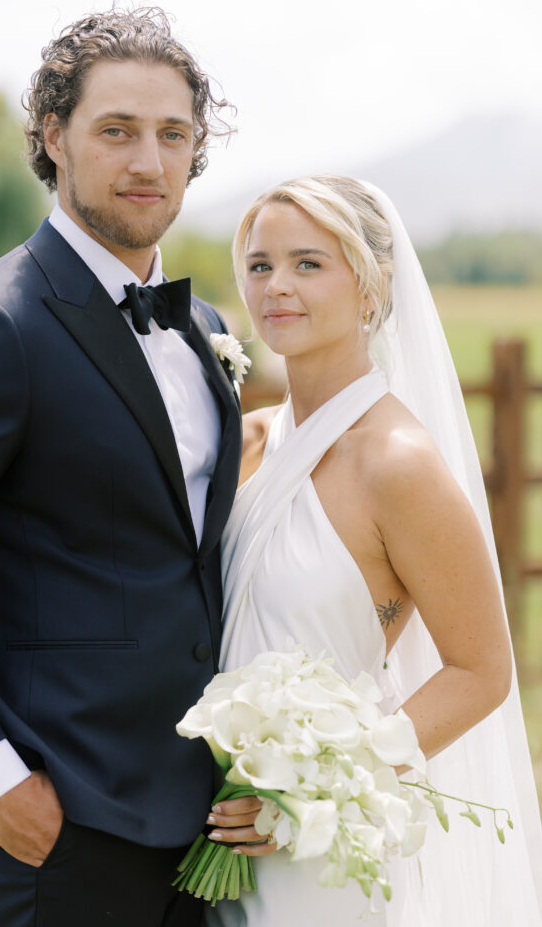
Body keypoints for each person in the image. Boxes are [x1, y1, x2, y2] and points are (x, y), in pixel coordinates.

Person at [0, 6, 243, 927]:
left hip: (213, 817)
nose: (148, 161)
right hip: (64, 814)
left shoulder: (206, 328)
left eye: (173, 134)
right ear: (52, 137)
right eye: (116, 131)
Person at [202, 176, 542, 925]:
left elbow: (480, 670)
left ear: (372, 285)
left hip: (318, 849)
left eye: (308, 263)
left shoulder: (397, 464)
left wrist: (309, 790)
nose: (276, 286)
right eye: (259, 265)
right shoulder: (247, 441)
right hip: (212, 823)